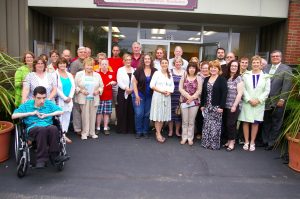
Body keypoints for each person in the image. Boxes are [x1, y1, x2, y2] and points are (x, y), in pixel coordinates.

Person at [12, 86, 69, 169]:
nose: (42, 101)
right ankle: (41, 159)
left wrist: (47, 115)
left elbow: (61, 111)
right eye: (39, 98)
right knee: (41, 129)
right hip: (33, 128)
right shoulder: (27, 105)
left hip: (47, 126)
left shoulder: (48, 103)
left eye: (44, 98)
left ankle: (55, 156)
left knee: (53, 128)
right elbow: (14, 116)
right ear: (34, 97)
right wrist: (31, 113)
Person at [238, 55, 270, 152]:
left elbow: (267, 91)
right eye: (254, 62)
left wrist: (258, 100)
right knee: (246, 122)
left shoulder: (266, 76)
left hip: (258, 104)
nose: (255, 64)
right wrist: (249, 99)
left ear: (261, 65)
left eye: (257, 63)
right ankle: (246, 142)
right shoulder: (246, 75)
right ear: (251, 64)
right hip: (247, 103)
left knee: (255, 123)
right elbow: (243, 89)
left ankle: (252, 142)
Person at [263, 50, 292, 150]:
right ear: (270, 58)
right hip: (266, 100)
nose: (275, 58)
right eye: (273, 56)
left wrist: (282, 99)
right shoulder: (266, 67)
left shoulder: (286, 69)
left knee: (276, 121)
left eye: (277, 56)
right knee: (266, 121)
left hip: (278, 101)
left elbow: (287, 85)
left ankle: (272, 142)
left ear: (281, 57)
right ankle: (265, 140)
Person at [75, 57, 104, 140]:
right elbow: (75, 86)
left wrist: (98, 91)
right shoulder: (79, 74)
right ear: (84, 65)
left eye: (91, 65)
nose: (89, 67)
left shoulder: (97, 75)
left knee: (93, 116)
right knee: (84, 116)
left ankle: (92, 132)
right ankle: (84, 133)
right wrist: (81, 90)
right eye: (88, 65)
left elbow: (101, 86)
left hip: (94, 98)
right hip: (83, 98)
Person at [201, 60, 228, 150]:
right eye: (211, 67)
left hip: (216, 106)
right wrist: (202, 105)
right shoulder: (206, 79)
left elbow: (224, 94)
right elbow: (203, 93)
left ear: (218, 69)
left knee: (215, 126)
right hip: (207, 106)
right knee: (207, 124)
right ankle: (206, 143)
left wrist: (221, 107)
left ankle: (214, 144)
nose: (213, 69)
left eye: (215, 68)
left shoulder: (222, 79)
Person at [132, 54, 157, 138]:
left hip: (150, 96)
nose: (147, 60)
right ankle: (139, 131)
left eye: (148, 59)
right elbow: (134, 83)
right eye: (145, 59)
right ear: (143, 60)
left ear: (151, 60)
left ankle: (145, 131)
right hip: (140, 95)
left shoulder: (155, 71)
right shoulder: (139, 70)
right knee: (139, 113)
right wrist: (136, 95)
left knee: (147, 114)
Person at [150, 58, 174, 143]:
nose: (164, 64)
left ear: (168, 64)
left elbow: (172, 86)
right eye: (162, 63)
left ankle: (159, 132)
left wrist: (170, 92)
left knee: (163, 116)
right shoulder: (157, 73)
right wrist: (161, 91)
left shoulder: (170, 74)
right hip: (158, 97)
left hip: (167, 97)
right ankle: (158, 133)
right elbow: (152, 85)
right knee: (158, 116)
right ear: (160, 64)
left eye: (166, 63)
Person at [179, 62, 202, 146]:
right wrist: (188, 96)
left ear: (196, 69)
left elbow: (199, 90)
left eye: (193, 68)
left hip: (194, 102)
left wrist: (192, 98)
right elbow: (180, 88)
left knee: (191, 121)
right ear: (188, 68)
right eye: (190, 67)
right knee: (185, 121)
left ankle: (190, 138)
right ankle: (184, 137)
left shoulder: (198, 78)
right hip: (184, 101)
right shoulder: (184, 76)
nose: (191, 69)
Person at [223, 60, 244, 151]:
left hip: (233, 105)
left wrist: (234, 105)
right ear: (229, 66)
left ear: (238, 68)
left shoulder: (239, 78)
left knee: (231, 124)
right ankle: (228, 140)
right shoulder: (226, 77)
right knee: (226, 124)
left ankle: (232, 142)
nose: (234, 67)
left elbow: (240, 94)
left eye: (236, 66)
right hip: (225, 105)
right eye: (232, 65)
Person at [55, 57, 75, 144]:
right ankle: (59, 135)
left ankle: (64, 134)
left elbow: (73, 86)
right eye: (60, 63)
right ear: (57, 65)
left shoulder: (69, 74)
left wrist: (70, 97)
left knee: (67, 117)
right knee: (60, 118)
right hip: (60, 100)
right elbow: (56, 88)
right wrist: (64, 98)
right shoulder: (54, 75)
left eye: (64, 63)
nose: (62, 65)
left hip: (69, 99)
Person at [96, 59, 116, 135]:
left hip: (108, 96)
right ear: (100, 65)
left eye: (106, 64)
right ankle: (97, 127)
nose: (104, 66)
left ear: (108, 65)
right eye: (102, 64)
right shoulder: (97, 74)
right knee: (99, 113)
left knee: (106, 113)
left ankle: (105, 127)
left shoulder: (112, 73)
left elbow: (115, 82)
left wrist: (114, 82)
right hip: (99, 96)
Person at [116, 54, 135, 134]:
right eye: (126, 60)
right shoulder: (120, 70)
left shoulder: (134, 69)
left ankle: (130, 128)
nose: (128, 61)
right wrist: (126, 88)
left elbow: (135, 81)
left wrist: (132, 89)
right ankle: (122, 129)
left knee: (131, 110)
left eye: (129, 59)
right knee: (122, 110)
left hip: (132, 92)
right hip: (122, 92)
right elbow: (119, 81)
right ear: (123, 61)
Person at [70, 46, 87, 135]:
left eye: (84, 52)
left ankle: (85, 127)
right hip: (78, 90)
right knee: (77, 110)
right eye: (81, 52)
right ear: (77, 53)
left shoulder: (88, 62)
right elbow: (72, 77)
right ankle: (78, 129)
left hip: (87, 90)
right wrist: (78, 89)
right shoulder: (75, 63)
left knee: (84, 109)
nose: (83, 54)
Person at [168, 57, 185, 137]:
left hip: (181, 95)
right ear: (174, 63)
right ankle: (171, 131)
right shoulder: (170, 71)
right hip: (171, 95)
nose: (178, 63)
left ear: (182, 63)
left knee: (179, 114)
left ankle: (177, 131)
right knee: (170, 114)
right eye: (176, 62)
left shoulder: (185, 72)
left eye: (179, 62)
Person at [195, 61, 210, 140]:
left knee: (207, 118)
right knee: (199, 117)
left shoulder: (212, 76)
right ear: (200, 68)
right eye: (203, 68)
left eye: (206, 68)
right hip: (198, 100)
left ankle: (206, 133)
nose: (205, 70)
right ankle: (199, 132)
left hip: (208, 100)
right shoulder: (197, 76)